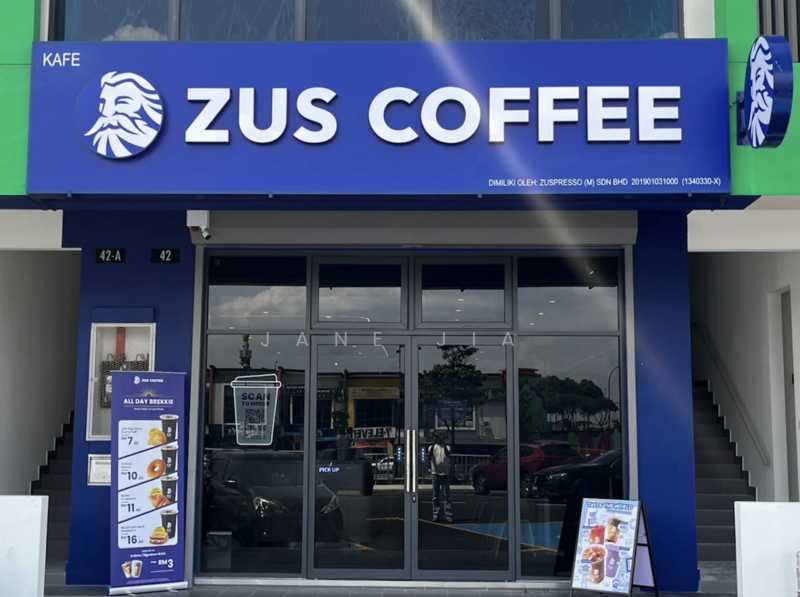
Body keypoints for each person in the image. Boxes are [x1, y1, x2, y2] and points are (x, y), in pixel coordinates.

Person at [428, 432, 453, 523]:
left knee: (447, 496)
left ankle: (448, 515)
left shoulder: (447, 447)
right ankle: (435, 514)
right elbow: (429, 454)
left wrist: (444, 444)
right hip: (435, 473)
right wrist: (434, 442)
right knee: (435, 496)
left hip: (445, 473)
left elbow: (447, 453)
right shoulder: (432, 447)